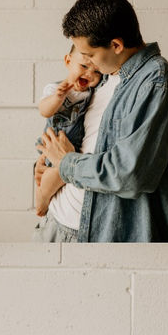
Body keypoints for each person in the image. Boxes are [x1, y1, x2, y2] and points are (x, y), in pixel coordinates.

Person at [33, 0, 168, 243]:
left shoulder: (155, 83)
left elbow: (130, 174)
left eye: (89, 55)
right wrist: (48, 164)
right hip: (59, 223)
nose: (87, 64)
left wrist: (66, 163)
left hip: (102, 237)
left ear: (116, 45)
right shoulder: (105, 78)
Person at [35, 45, 101, 216]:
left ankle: (45, 194)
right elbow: (44, 110)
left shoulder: (93, 93)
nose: (89, 74)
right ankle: (42, 196)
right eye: (84, 66)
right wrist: (58, 98)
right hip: (55, 143)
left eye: (97, 72)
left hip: (75, 147)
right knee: (56, 173)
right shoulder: (55, 89)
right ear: (68, 61)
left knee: (65, 172)